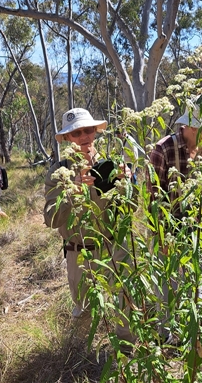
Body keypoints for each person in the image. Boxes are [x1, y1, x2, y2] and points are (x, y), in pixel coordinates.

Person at [43, 108, 136, 351]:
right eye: (76, 133)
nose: (84, 136)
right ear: (67, 139)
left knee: (126, 298)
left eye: (88, 130)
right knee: (84, 308)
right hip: (79, 252)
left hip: (113, 247)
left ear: (95, 132)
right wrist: (71, 188)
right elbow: (51, 219)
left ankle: (125, 354)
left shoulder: (110, 165)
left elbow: (130, 208)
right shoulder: (57, 172)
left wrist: (127, 183)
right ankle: (81, 358)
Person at [146, 105, 202, 344]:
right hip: (168, 229)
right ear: (190, 126)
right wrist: (161, 237)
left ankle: (194, 329)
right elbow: (152, 198)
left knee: (197, 279)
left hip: (197, 229)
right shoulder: (163, 149)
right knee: (167, 284)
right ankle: (165, 335)